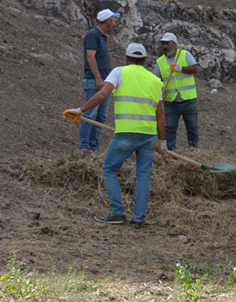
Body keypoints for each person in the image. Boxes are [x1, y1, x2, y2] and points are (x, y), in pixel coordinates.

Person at [66, 43, 166, 227]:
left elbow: (101, 95)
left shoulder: (119, 72)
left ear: (126, 59)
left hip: (126, 134)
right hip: (149, 135)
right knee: (143, 176)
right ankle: (138, 219)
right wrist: (163, 141)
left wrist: (80, 110)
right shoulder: (155, 80)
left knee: (109, 169)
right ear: (144, 61)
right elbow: (160, 114)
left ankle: (118, 212)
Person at [80, 8, 119, 151]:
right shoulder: (93, 35)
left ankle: (93, 146)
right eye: (113, 19)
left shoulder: (101, 36)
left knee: (100, 116)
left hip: (103, 81)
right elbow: (90, 57)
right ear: (108, 20)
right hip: (96, 81)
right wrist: (97, 78)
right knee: (90, 114)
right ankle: (84, 147)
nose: (114, 22)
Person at [154, 32, 200, 150]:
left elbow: (195, 69)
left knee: (192, 126)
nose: (165, 46)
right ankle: (170, 151)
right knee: (170, 127)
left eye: (167, 43)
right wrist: (159, 94)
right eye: (163, 44)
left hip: (188, 99)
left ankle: (193, 148)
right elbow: (156, 81)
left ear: (174, 44)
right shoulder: (160, 62)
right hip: (171, 101)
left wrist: (181, 68)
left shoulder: (185, 55)